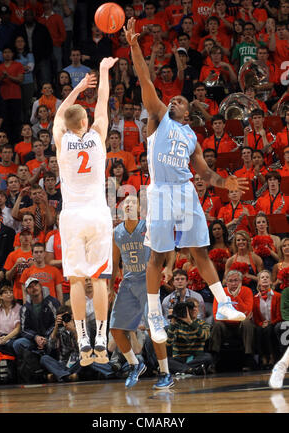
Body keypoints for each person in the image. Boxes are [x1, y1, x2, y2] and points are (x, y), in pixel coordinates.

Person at [124, 17, 247, 389]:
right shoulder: (158, 120)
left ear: (187, 113)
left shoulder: (191, 134)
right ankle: (153, 313)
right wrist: (133, 46)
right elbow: (146, 80)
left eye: (177, 99)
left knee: (200, 252)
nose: (172, 99)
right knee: (157, 258)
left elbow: (206, 174)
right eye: (171, 98)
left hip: (187, 191)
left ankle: (223, 301)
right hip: (161, 192)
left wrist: (225, 182)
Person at [52, 58, 117, 366]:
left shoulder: (61, 140)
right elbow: (103, 100)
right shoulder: (97, 136)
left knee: (77, 280)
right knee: (100, 278)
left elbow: (58, 115)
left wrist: (76, 89)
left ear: (67, 125)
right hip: (98, 214)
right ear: (85, 123)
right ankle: (101, 339)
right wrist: (103, 72)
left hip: (72, 216)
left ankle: (82, 341)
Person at [109, 195, 150, 388]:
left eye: (132, 202)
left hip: (148, 281)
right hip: (128, 282)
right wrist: (110, 288)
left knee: (154, 329)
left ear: (140, 209)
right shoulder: (116, 232)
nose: (128, 205)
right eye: (125, 203)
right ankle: (135, 364)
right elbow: (115, 262)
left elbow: (165, 250)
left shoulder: (147, 226)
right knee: (115, 329)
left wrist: (166, 268)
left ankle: (165, 370)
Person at [209, 270, 255, 372]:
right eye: (230, 281)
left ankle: (248, 358)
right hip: (226, 327)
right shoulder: (221, 293)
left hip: (240, 327)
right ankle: (213, 360)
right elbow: (217, 315)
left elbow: (247, 312)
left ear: (241, 282)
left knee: (247, 323)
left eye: (236, 280)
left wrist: (236, 296)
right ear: (226, 282)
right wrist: (236, 316)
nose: (233, 283)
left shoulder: (247, 291)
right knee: (217, 325)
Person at [12, 277, 60, 357]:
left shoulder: (53, 302)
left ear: (41, 287)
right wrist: (36, 337)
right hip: (34, 340)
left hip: (52, 336)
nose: (34, 288)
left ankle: (52, 361)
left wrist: (46, 338)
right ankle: (33, 363)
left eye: (36, 285)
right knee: (17, 344)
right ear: (27, 291)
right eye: (30, 287)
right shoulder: (24, 308)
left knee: (57, 338)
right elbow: (24, 329)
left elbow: (58, 322)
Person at [166, 297, 213, 375]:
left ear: (198, 309)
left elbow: (205, 336)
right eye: (191, 307)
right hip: (180, 358)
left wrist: (190, 322)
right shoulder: (177, 324)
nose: (194, 309)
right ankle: (192, 370)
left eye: (196, 307)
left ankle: (182, 369)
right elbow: (168, 343)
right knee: (166, 361)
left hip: (196, 357)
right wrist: (173, 323)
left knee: (208, 357)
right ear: (186, 309)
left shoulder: (203, 324)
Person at [39, 305, 80, 382]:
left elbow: (83, 347)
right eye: (62, 318)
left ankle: (59, 375)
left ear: (72, 316)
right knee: (44, 358)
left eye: (66, 317)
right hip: (63, 362)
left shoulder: (80, 327)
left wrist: (74, 331)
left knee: (86, 360)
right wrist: (56, 328)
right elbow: (50, 347)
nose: (64, 320)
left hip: (77, 362)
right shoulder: (59, 330)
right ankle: (67, 376)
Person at [253, 270, 281, 370]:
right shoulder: (255, 298)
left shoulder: (277, 296)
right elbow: (256, 317)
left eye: (267, 277)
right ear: (259, 282)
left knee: (268, 329)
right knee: (258, 330)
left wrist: (270, 322)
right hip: (262, 324)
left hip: (274, 323)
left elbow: (279, 315)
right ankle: (263, 358)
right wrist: (261, 323)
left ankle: (273, 357)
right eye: (262, 277)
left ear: (270, 282)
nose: (265, 279)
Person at [224, 230, 264, 294]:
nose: (241, 242)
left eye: (243, 240)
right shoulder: (230, 260)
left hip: (253, 292)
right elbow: (224, 281)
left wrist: (249, 276)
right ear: (235, 243)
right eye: (238, 240)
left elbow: (262, 280)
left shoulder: (256, 258)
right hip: (235, 293)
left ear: (247, 242)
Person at [0, 285, 21, 356]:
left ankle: (11, 363)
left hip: (12, 337)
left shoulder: (18, 308)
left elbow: (18, 328)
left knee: (10, 344)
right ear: (1, 296)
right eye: (6, 292)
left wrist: (6, 338)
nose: (9, 294)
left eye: (11, 292)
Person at [4, 227, 33, 303]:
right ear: (19, 237)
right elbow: (8, 277)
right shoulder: (13, 255)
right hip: (18, 294)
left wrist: (34, 266)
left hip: (35, 292)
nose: (26, 237)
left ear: (31, 237)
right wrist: (15, 266)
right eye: (23, 235)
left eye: (28, 234)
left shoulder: (37, 253)